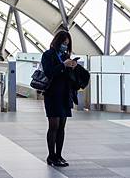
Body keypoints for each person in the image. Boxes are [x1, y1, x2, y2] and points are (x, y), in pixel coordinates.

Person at [41, 30, 77, 168]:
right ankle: (51, 155)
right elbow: (49, 72)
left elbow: (68, 77)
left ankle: (59, 155)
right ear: (57, 42)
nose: (65, 46)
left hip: (64, 94)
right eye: (63, 43)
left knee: (62, 126)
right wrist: (63, 65)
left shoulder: (65, 56)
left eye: (67, 44)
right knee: (53, 125)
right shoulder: (48, 55)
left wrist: (73, 67)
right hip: (52, 94)